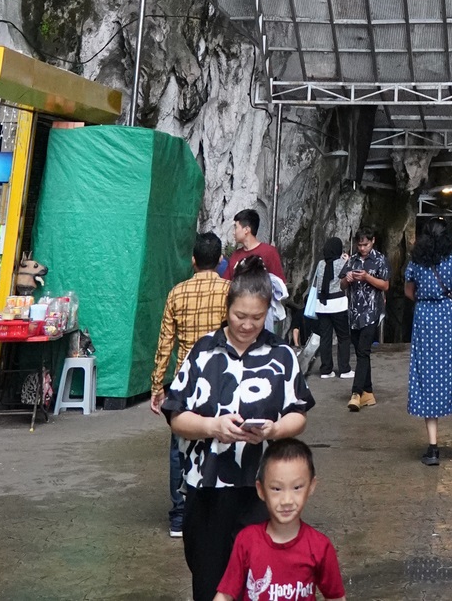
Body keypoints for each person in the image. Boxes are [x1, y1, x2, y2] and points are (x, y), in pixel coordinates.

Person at [163, 268, 313, 601]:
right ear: (227, 308)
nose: (247, 325)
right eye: (240, 315)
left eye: (257, 317)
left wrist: (274, 430)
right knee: (209, 581)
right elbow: (176, 417)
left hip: (263, 490)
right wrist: (212, 427)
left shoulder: (281, 355)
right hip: (208, 488)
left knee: (262, 583)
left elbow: (298, 415)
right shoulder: (203, 353)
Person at [150, 232, 228, 539]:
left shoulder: (176, 294)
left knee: (178, 445)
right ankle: (216, 509)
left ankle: (180, 516)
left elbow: (164, 344)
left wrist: (158, 387)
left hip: (186, 380)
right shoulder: (229, 292)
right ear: (220, 260)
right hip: (222, 377)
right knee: (221, 438)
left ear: (192, 260)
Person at [213, 441, 343, 601]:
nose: (286, 500)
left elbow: (336, 597)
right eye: (276, 489)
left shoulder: (320, 547)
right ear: (261, 490)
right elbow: (226, 595)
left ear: (311, 486)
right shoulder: (246, 541)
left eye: (297, 487)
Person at [404, 215, 452, 463]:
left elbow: (409, 292)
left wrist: (426, 300)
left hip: (425, 320)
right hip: (449, 319)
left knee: (427, 377)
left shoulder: (416, 262)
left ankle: (433, 448)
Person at [344, 225, 390, 410]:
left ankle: (356, 393)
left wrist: (366, 277)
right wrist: (347, 279)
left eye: (366, 244)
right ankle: (368, 393)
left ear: (372, 242)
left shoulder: (380, 260)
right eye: (360, 245)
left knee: (363, 351)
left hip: (371, 313)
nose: (362, 248)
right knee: (361, 352)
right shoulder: (353, 260)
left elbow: (385, 285)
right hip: (354, 313)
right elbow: (341, 286)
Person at [225, 209, 289, 330]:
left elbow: (280, 285)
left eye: (236, 227)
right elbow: (226, 284)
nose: (233, 232)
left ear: (246, 229)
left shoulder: (269, 252)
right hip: (239, 315)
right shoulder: (235, 255)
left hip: (262, 316)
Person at [305, 236, 351, 380]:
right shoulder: (341, 263)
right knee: (343, 337)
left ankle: (326, 370)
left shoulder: (320, 264)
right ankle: (344, 369)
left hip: (322, 306)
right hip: (337, 304)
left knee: (325, 338)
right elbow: (348, 275)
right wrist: (347, 260)